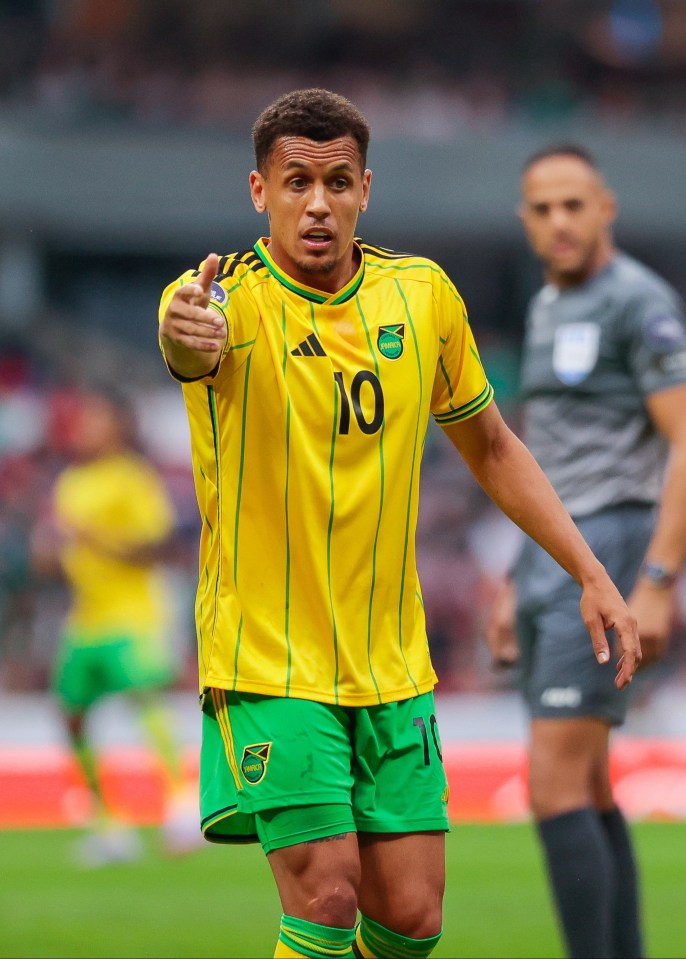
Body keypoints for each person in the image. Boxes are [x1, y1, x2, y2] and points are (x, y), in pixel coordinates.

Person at [157, 89, 641, 959]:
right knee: (327, 896)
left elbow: (491, 446)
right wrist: (184, 333)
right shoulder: (222, 299)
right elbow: (186, 341)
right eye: (295, 180)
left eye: (337, 181)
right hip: (271, 657)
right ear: (259, 191)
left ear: (365, 189)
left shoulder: (420, 296)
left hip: (392, 663)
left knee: (411, 918)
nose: (317, 202)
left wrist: (590, 570)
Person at [484, 144, 686, 958]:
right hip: (555, 557)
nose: (558, 221)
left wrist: (655, 579)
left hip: (612, 546)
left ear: (605, 208)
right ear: (524, 219)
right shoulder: (548, 304)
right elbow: (539, 458)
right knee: (584, 780)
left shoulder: (637, 301)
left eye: (573, 204)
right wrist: (516, 579)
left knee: (551, 780)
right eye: (542, 208)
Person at [30, 385, 200, 865]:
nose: (85, 427)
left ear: (120, 425)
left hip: (132, 613)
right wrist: (49, 554)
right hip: (86, 618)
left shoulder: (133, 478)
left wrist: (90, 537)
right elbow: (59, 557)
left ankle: (182, 803)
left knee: (146, 699)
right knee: (70, 714)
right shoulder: (71, 483)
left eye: (95, 418)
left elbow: (154, 548)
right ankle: (108, 823)